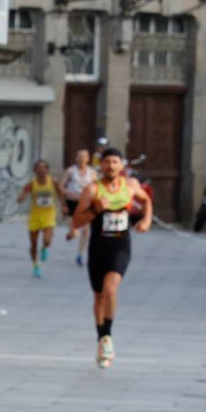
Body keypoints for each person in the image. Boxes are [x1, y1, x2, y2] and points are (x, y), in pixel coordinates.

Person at [68, 146, 150, 368]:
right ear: (101, 165)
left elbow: (146, 200)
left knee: (110, 290)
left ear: (121, 165)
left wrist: (146, 220)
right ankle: (102, 339)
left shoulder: (130, 186)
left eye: (115, 162)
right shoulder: (92, 190)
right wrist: (95, 210)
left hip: (120, 247)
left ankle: (108, 337)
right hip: (98, 248)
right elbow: (76, 222)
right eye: (107, 162)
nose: (111, 166)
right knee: (98, 297)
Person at [19, 160, 61, 277]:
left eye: (43, 168)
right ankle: (35, 265)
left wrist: (65, 206)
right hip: (35, 216)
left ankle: (44, 247)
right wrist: (21, 198)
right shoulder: (32, 184)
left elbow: (60, 193)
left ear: (47, 170)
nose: (41, 170)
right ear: (35, 170)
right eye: (39, 168)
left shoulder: (53, 182)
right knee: (33, 244)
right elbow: (23, 193)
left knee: (47, 239)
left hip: (49, 215)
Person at [60, 149, 96, 268]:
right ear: (76, 158)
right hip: (72, 202)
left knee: (86, 231)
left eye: (84, 157)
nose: (82, 159)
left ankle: (79, 255)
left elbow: (96, 186)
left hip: (85, 203)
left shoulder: (92, 172)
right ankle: (70, 235)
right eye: (80, 156)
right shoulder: (70, 171)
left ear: (88, 159)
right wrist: (68, 194)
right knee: (74, 232)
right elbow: (61, 185)